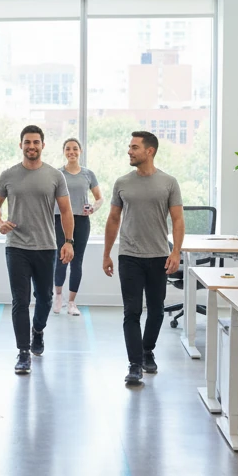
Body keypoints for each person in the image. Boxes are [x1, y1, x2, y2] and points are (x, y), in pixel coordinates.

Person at [0, 125, 75, 375]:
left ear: (43, 145)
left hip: (46, 247)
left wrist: (68, 241)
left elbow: (67, 210)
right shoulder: (8, 175)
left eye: (36, 142)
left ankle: (38, 330)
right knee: (20, 300)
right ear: (21, 145)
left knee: (46, 298)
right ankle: (23, 352)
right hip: (16, 246)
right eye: (27, 142)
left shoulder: (55, 176)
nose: (31, 146)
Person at [102, 131, 184, 387]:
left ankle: (147, 350)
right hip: (129, 256)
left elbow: (178, 220)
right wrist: (106, 253)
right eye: (129, 146)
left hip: (159, 255)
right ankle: (135, 364)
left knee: (157, 310)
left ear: (150, 151)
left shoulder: (169, 182)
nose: (129, 151)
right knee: (132, 311)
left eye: (134, 147)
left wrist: (176, 252)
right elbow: (114, 219)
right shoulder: (122, 182)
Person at [53, 138, 104, 317]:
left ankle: (72, 302)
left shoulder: (88, 174)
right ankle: (58, 296)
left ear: (80, 151)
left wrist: (93, 208)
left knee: (77, 261)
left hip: (81, 221)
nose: (71, 152)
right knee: (60, 259)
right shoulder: (57, 174)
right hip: (59, 219)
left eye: (75, 149)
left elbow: (99, 198)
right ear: (64, 151)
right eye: (68, 149)